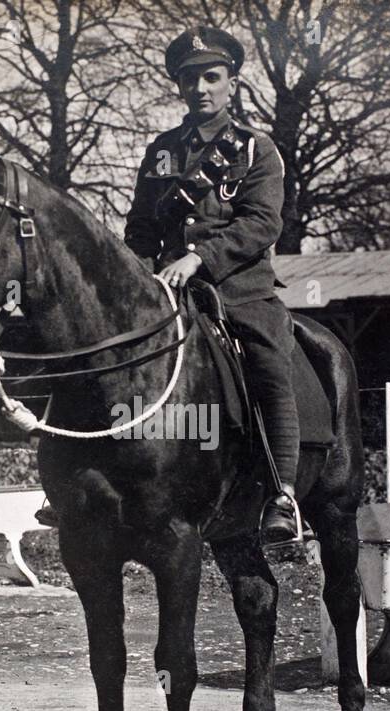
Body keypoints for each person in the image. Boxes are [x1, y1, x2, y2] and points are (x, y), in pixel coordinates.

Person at [124, 25, 302, 545]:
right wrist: (138, 273)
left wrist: (199, 258)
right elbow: (139, 226)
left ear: (231, 82)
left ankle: (282, 494)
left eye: (210, 76)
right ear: (178, 86)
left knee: (270, 364)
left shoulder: (255, 149)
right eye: (189, 79)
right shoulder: (161, 152)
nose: (200, 87)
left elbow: (263, 223)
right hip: (168, 290)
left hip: (238, 289)